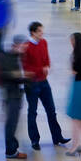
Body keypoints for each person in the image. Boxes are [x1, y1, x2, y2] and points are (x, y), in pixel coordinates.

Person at [20, 21, 69, 150]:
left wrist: (47, 66)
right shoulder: (26, 46)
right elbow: (25, 68)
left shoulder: (43, 42)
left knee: (51, 110)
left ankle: (57, 137)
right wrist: (41, 70)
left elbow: (46, 58)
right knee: (33, 112)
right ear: (33, 32)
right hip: (32, 84)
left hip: (43, 82)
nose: (43, 33)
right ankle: (34, 140)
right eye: (40, 31)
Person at [0, 36, 28, 160]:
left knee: (13, 123)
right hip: (11, 95)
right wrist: (23, 77)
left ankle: (12, 148)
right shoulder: (9, 58)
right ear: (15, 45)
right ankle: (11, 151)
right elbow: (5, 75)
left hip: (14, 94)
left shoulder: (16, 57)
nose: (24, 49)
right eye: (23, 46)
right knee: (11, 124)